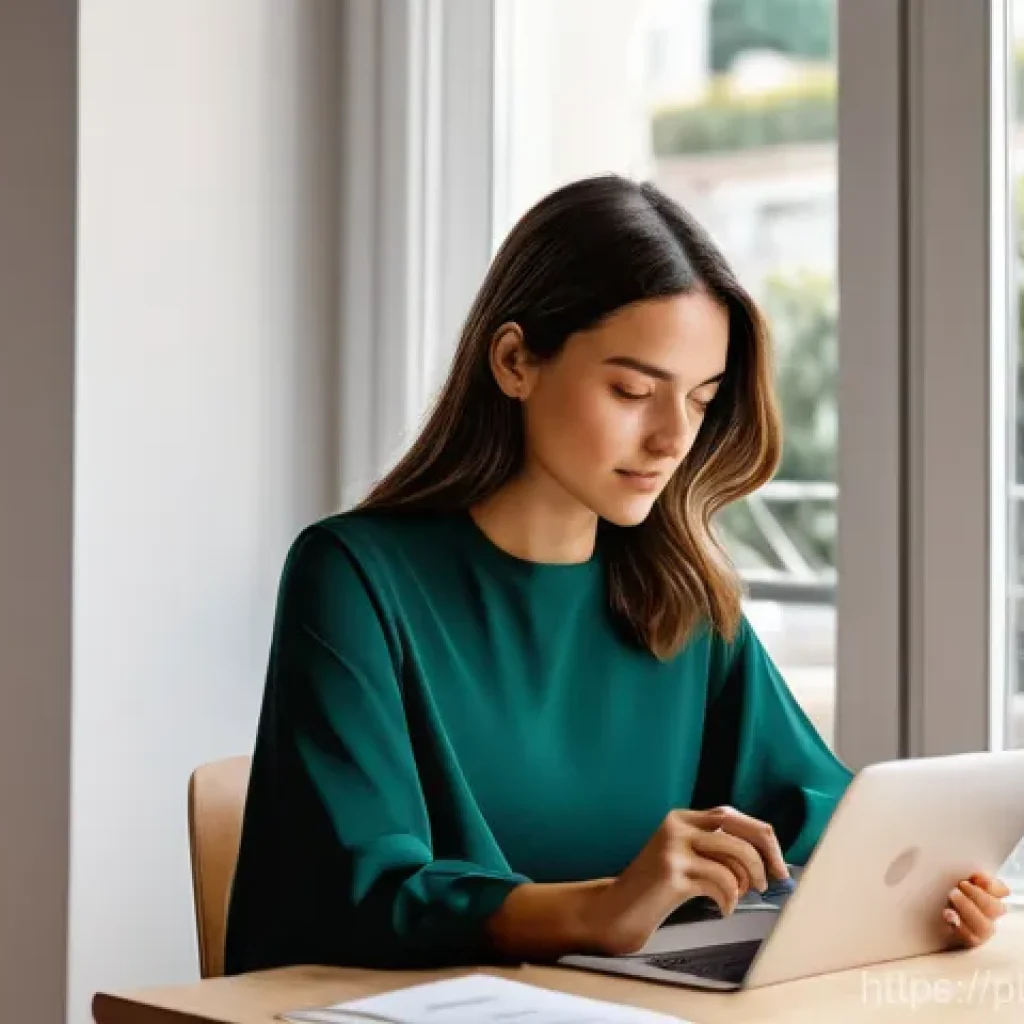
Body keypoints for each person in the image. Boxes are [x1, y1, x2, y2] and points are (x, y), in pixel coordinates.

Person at [224, 175, 1010, 975]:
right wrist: (600, 909)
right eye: (633, 390)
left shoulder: (684, 600)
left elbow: (824, 815)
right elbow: (359, 891)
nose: (674, 436)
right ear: (514, 360)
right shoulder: (354, 576)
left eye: (701, 400)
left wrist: (931, 890)